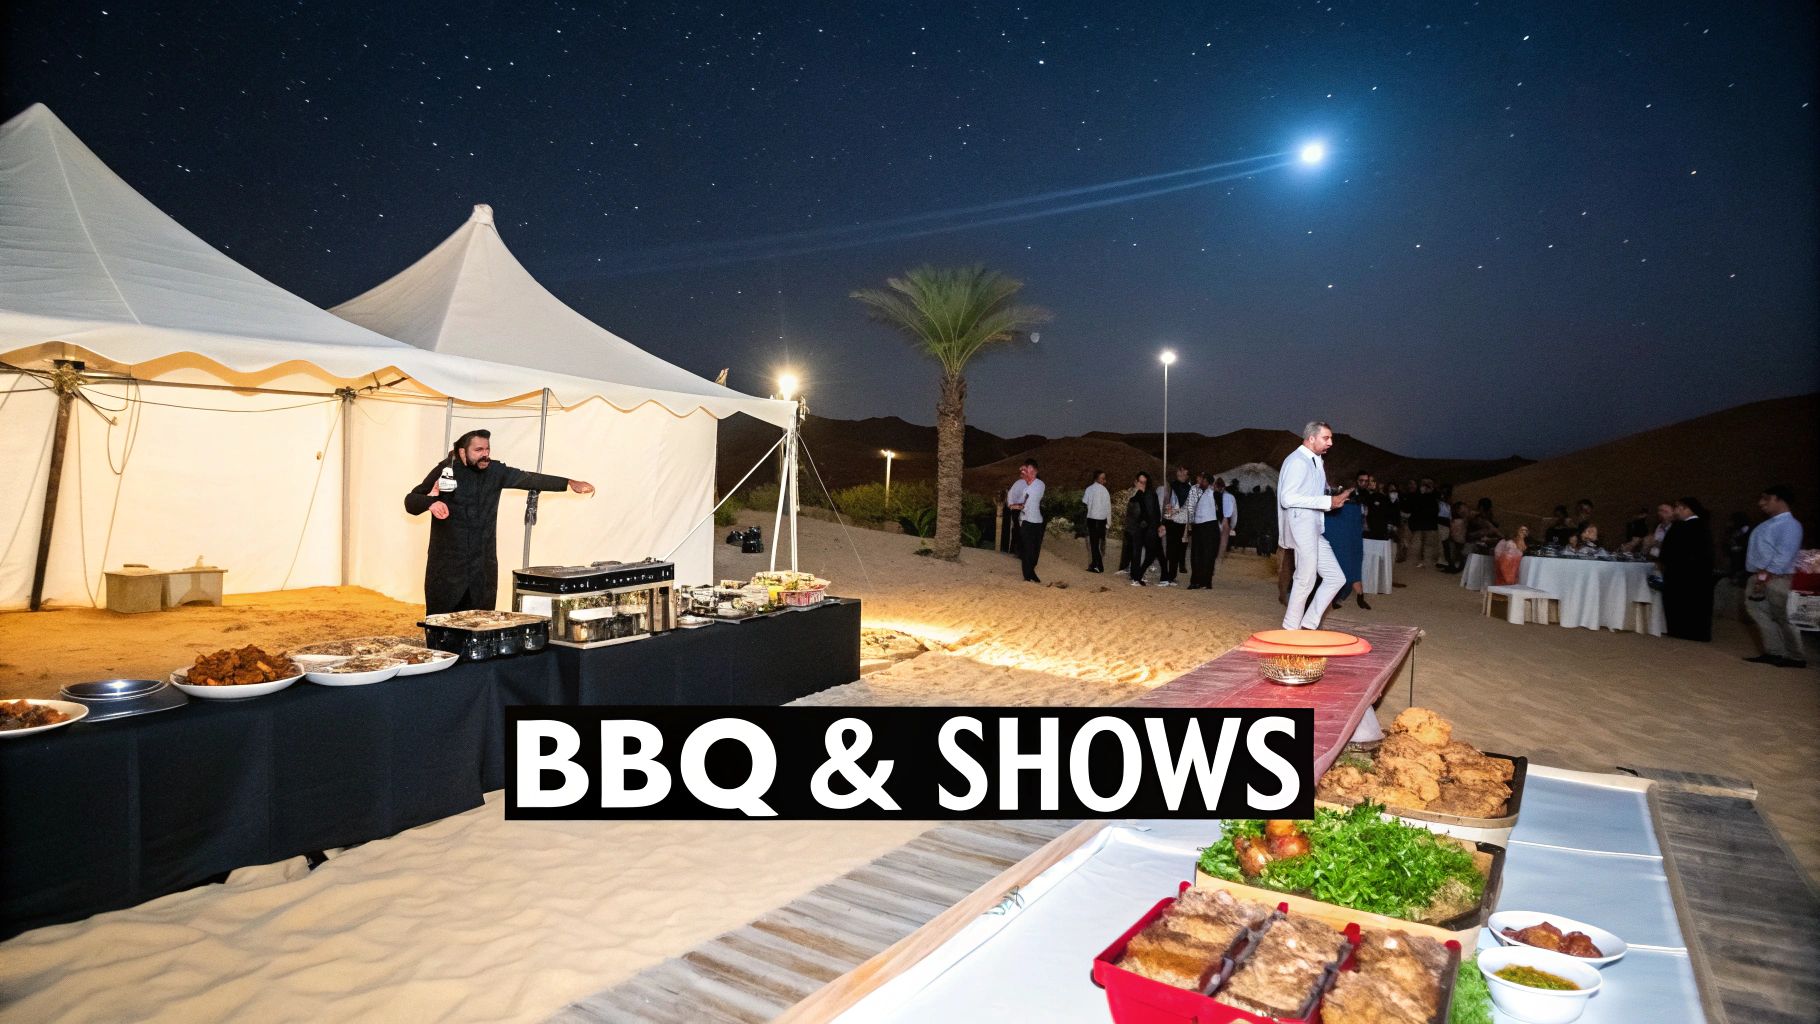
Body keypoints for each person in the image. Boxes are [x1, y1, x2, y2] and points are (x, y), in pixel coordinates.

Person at [406, 429, 595, 615]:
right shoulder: (445, 470)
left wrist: (568, 483)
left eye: (487, 449)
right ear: (462, 452)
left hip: (481, 569)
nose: (485, 454)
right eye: (478, 450)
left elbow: (529, 479)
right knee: (442, 625)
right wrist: (431, 502)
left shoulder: (495, 471)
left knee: (480, 624)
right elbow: (411, 501)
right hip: (446, 568)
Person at [1279, 421, 1352, 629]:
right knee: (1305, 579)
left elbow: (1313, 494)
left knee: (1336, 578)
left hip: (1314, 527)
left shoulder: (1316, 461)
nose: (1330, 443)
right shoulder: (1297, 461)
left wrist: (1332, 498)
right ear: (1311, 438)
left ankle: (1308, 625)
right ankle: (1290, 630)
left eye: (1331, 438)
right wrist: (1327, 502)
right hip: (1301, 525)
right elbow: (1287, 498)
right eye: (1326, 438)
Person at [1743, 485, 1806, 667]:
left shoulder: (1790, 525)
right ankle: (1775, 652)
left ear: (1779, 499)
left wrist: (1766, 576)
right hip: (1760, 575)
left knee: (1784, 617)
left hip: (1776, 578)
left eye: (1766, 498)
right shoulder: (1769, 523)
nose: (1761, 503)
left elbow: (1784, 554)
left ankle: (1795, 657)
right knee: (1760, 614)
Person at [1658, 497, 1714, 642]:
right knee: (1697, 604)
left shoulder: (1679, 527)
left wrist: (1664, 561)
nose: (1675, 511)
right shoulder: (1704, 526)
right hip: (1700, 575)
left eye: (1677, 508)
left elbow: (1668, 550)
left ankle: (1680, 631)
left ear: (1685, 508)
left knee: (1678, 603)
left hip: (1679, 573)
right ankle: (1698, 633)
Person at [1325, 480, 1370, 611]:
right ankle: (1352, 597)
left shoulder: (1352, 508)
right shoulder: (1336, 508)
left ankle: (1359, 597)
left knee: (1351, 567)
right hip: (1342, 540)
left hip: (1348, 540)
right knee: (1347, 567)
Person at [1006, 458, 1047, 584]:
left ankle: (1031, 572)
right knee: (1028, 549)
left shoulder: (1039, 484)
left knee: (1035, 551)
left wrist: (1016, 506)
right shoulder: (1024, 486)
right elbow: (1019, 502)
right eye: (1025, 470)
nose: (1025, 473)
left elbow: (1027, 503)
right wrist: (1013, 506)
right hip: (1026, 521)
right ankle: (1027, 576)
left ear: (1034, 471)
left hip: (1037, 521)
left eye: (1028, 470)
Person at [1186, 471, 1222, 589]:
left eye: (1203, 480)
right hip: (1198, 526)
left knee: (1208, 555)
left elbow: (1221, 511)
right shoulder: (1197, 491)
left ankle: (1206, 581)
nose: (1200, 482)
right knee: (1196, 554)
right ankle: (1195, 581)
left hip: (1210, 526)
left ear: (1208, 482)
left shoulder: (1214, 493)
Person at [1125, 471, 1162, 586]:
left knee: (1148, 553)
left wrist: (1156, 526)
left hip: (1146, 528)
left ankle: (1137, 575)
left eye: (1144, 482)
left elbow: (1154, 512)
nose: (1142, 484)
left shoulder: (1147, 494)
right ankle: (1136, 577)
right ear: (1136, 482)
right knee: (1138, 552)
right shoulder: (1136, 494)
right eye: (1141, 482)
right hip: (1137, 528)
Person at [1159, 466, 1192, 587]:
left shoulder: (1189, 489)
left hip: (1181, 522)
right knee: (1169, 549)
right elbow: (1166, 503)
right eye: (1180, 472)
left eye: (1184, 473)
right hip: (1171, 520)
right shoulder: (1172, 486)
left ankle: (1171, 576)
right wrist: (1163, 520)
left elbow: (1188, 508)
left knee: (1176, 550)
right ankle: (1166, 575)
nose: (1182, 474)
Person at [1406, 479, 1441, 568]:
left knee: (1428, 546)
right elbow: (1411, 507)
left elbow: (1435, 510)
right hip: (1420, 525)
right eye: (1424, 484)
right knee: (1416, 546)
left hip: (1429, 525)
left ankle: (1427, 564)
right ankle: (1414, 563)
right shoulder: (1417, 495)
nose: (1426, 486)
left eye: (1428, 484)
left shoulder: (1435, 496)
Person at [1082, 469, 1111, 573]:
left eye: (1104, 478)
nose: (1104, 480)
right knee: (1097, 544)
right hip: (1102, 521)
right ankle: (1095, 564)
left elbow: (1085, 503)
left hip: (1092, 520)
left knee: (1094, 545)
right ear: (1097, 478)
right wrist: (1109, 523)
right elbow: (1108, 508)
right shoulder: (1105, 491)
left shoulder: (1089, 489)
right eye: (1103, 478)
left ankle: (1098, 566)